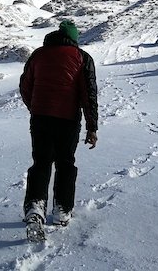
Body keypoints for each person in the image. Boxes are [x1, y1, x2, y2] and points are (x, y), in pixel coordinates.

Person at [19, 19, 98, 227]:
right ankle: (62, 210)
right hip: (68, 119)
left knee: (41, 162)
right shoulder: (82, 58)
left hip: (40, 118)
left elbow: (25, 85)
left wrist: (34, 107)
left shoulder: (38, 55)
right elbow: (88, 95)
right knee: (65, 163)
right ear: (74, 38)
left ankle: (35, 207)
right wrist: (92, 127)